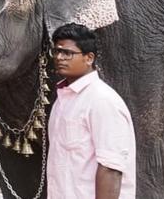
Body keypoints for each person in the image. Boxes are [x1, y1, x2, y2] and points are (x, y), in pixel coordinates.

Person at [47, 23, 136, 199]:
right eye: (56, 51)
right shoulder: (62, 100)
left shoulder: (101, 100)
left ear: (89, 58)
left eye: (67, 53)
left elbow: (111, 168)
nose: (59, 57)